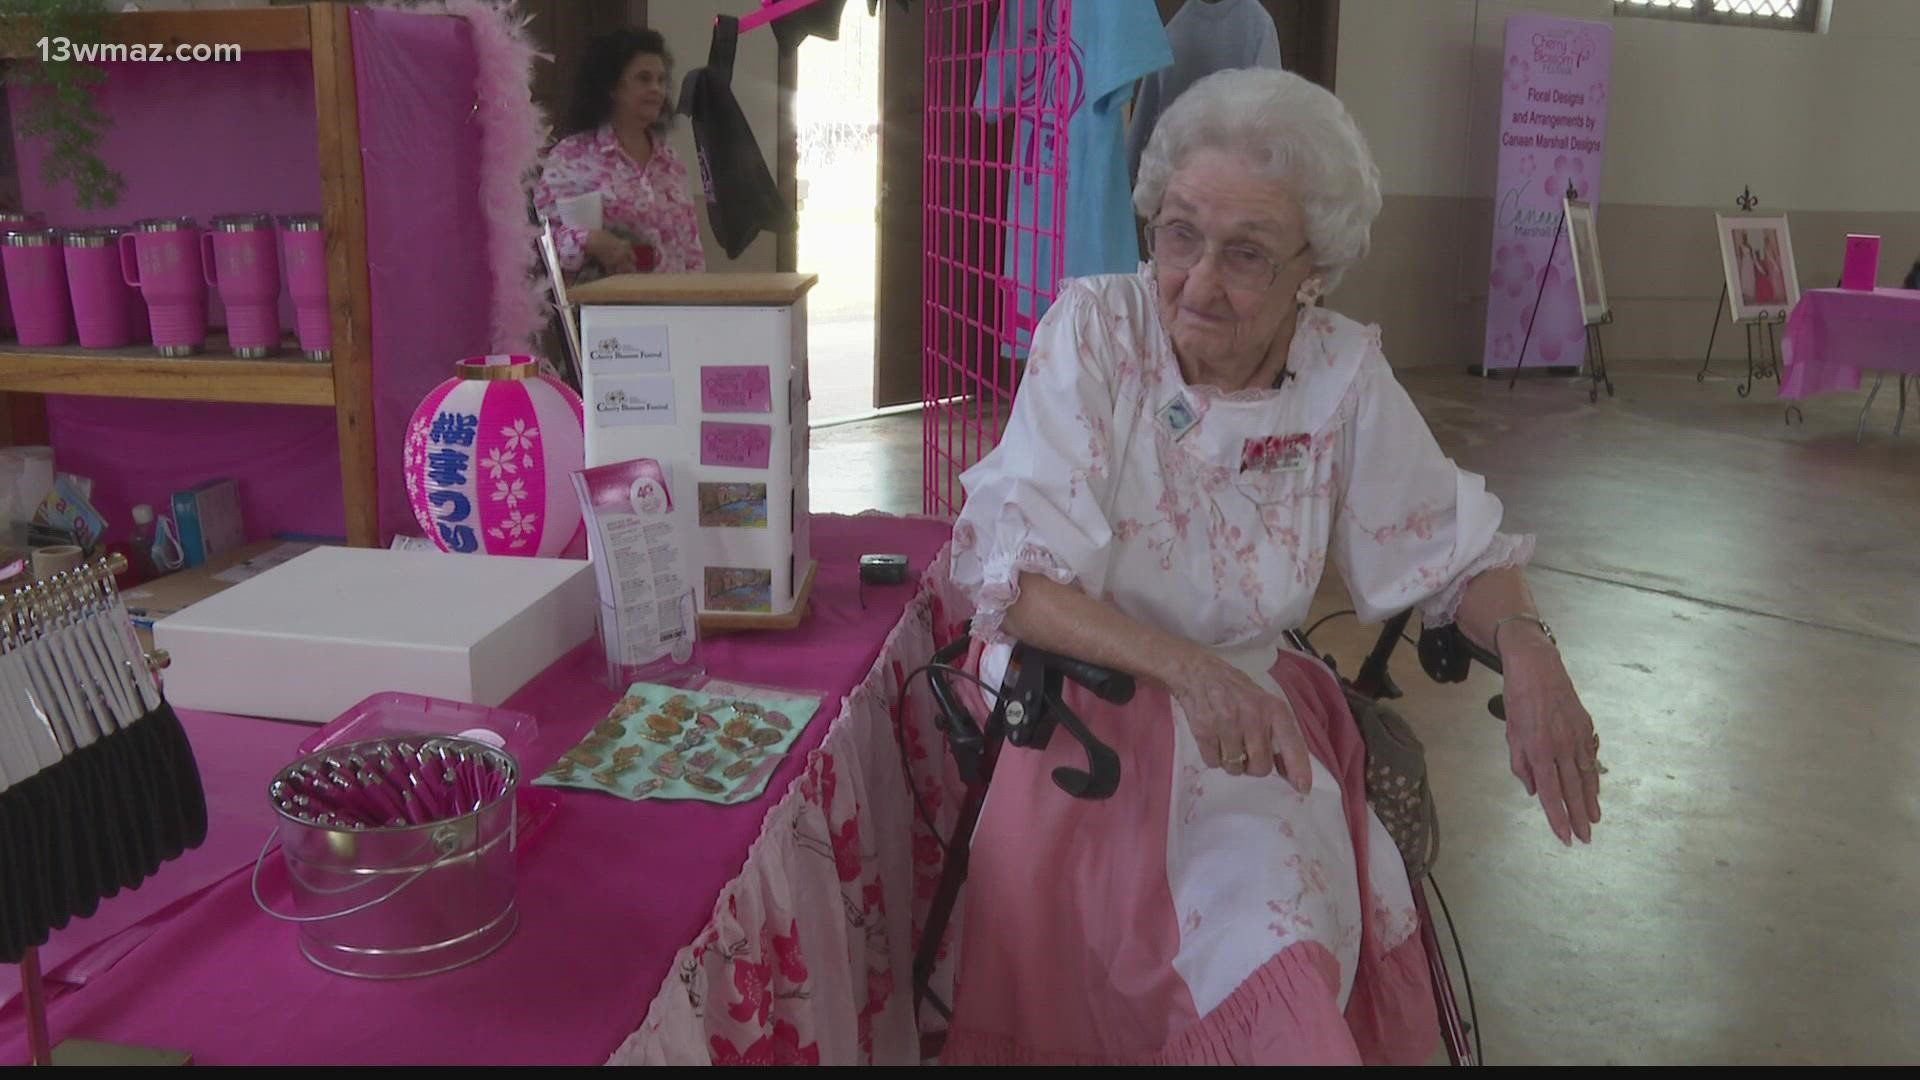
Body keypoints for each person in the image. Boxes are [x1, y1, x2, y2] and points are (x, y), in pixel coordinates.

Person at [939, 68, 1603, 1065]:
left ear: (1313, 270)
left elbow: (1455, 551)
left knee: (1276, 953)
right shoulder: (1099, 333)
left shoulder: (1339, 373)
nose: (1199, 282)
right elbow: (1021, 585)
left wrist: (1532, 648)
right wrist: (1189, 669)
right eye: (1177, 235)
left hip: (1245, 724)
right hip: (1081, 706)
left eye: (1245, 254)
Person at [534, 28, 706, 280]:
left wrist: (702, 306)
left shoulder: (671, 163)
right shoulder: (573, 157)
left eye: (661, 80)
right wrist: (589, 240)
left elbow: (691, 251)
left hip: (675, 310)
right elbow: (538, 243)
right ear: (611, 86)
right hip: (604, 313)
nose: (657, 89)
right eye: (644, 79)